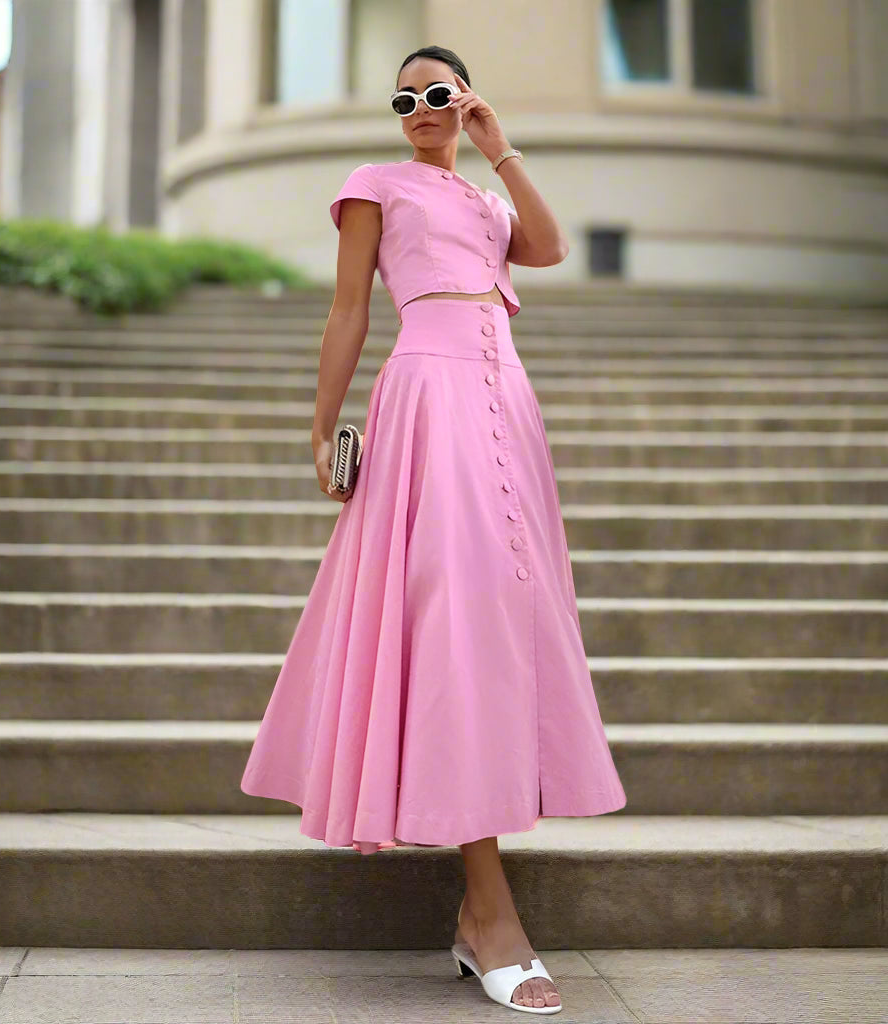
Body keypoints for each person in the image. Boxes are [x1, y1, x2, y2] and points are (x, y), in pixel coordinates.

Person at [240, 45, 627, 1015]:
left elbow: (546, 247)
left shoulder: (490, 205)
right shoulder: (375, 185)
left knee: (503, 618)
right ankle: (490, 912)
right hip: (427, 394)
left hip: (506, 400)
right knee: (455, 622)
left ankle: (474, 916)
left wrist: (500, 148)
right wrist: (322, 425)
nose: (420, 107)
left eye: (438, 94)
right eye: (405, 97)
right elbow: (347, 309)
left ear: (464, 102)